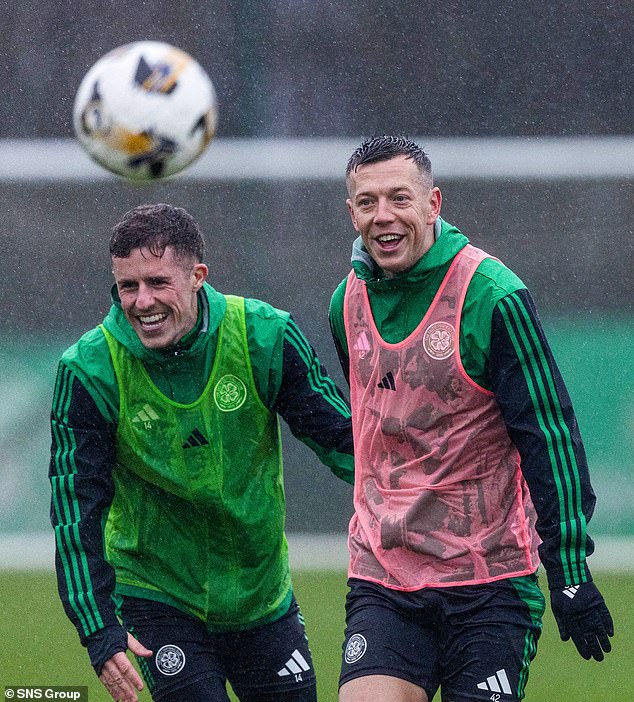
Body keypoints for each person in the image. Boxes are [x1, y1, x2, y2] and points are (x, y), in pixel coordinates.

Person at [329, 136, 613, 702]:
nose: (383, 216)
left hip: (488, 584)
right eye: (367, 202)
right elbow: (374, 424)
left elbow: (549, 436)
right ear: (351, 212)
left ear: (434, 203)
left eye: (399, 199)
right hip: (384, 579)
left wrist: (569, 569)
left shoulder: (492, 295)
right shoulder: (346, 303)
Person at [49, 203, 354, 702]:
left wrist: (421, 497)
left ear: (197, 276)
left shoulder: (264, 335)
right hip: (156, 595)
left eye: (157, 282)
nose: (142, 301)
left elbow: (343, 441)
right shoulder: (89, 370)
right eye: (128, 286)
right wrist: (98, 628)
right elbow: (75, 512)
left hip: (262, 596)